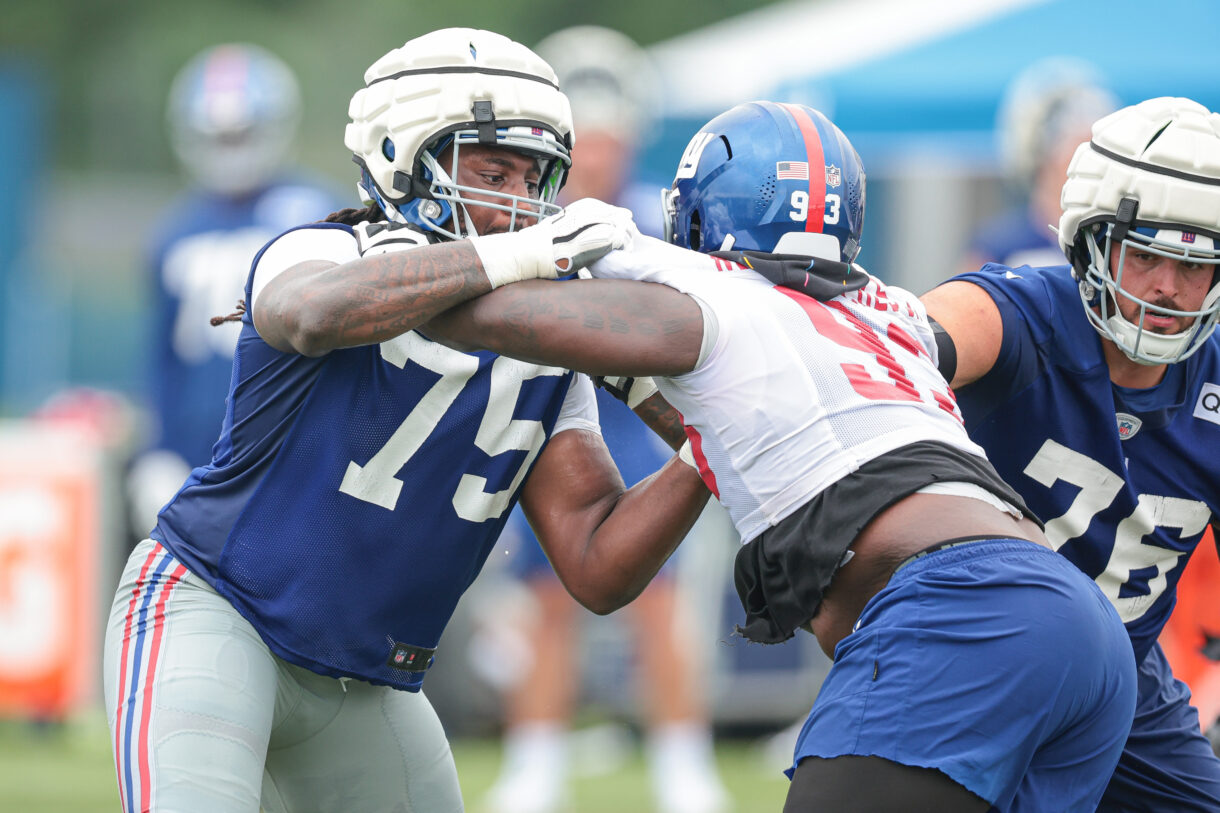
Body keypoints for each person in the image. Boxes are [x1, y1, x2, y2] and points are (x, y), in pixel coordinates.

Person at [428, 100, 1137, 812]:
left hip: (954, 613)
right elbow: (621, 549)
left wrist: (468, 253)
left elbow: (467, 311)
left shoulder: (707, 297)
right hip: (1079, 620)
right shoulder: (886, 310)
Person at [102, 28, 712, 813]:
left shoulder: (546, 351)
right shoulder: (324, 248)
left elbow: (596, 563)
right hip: (218, 618)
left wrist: (706, 445)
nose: (520, 205)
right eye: (493, 172)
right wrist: (518, 260)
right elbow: (314, 312)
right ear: (402, 157)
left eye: (536, 179)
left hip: (368, 683)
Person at [922, 95, 1220, 811]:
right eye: (1145, 251)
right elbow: (894, 345)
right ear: (1091, 239)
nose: (1167, 287)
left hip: (1125, 676)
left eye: (1196, 262)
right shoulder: (1020, 315)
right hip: (968, 653)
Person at [480, 26, 727, 813]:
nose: (597, 154)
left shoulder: (658, 208)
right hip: (553, 414)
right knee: (549, 599)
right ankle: (536, 764)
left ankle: (683, 766)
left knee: (658, 602)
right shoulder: (531, 211)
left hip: (643, 414)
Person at [126, 43, 341, 533]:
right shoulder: (176, 231)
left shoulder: (319, 211)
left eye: (242, 135)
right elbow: (163, 357)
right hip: (199, 449)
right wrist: (157, 450)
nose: (231, 151)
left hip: (296, 447)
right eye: (218, 138)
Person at [959, 57, 1117, 273]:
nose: (1091, 165)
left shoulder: (1113, 240)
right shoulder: (1000, 245)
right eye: (1076, 149)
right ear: (1041, 155)